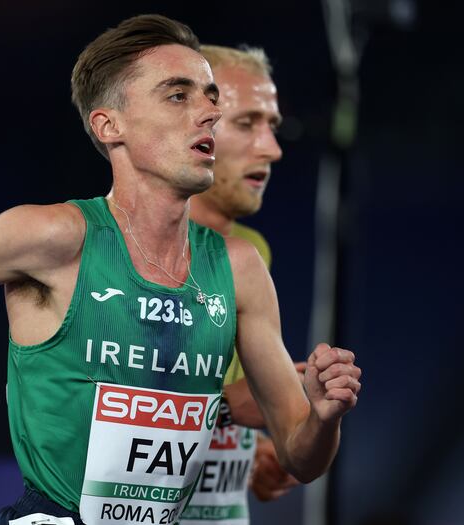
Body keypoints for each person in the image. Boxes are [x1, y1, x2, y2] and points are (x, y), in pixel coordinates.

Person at [0, 14, 361, 525]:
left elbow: (302, 455)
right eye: (178, 95)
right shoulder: (56, 236)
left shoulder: (240, 266)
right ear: (109, 125)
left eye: (211, 96)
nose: (210, 112)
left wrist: (323, 417)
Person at [180, 44, 299, 525]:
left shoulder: (251, 251)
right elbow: (80, 421)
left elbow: (215, 400)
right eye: (247, 123)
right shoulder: (109, 248)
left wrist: (250, 453)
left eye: (272, 125)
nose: (272, 148)